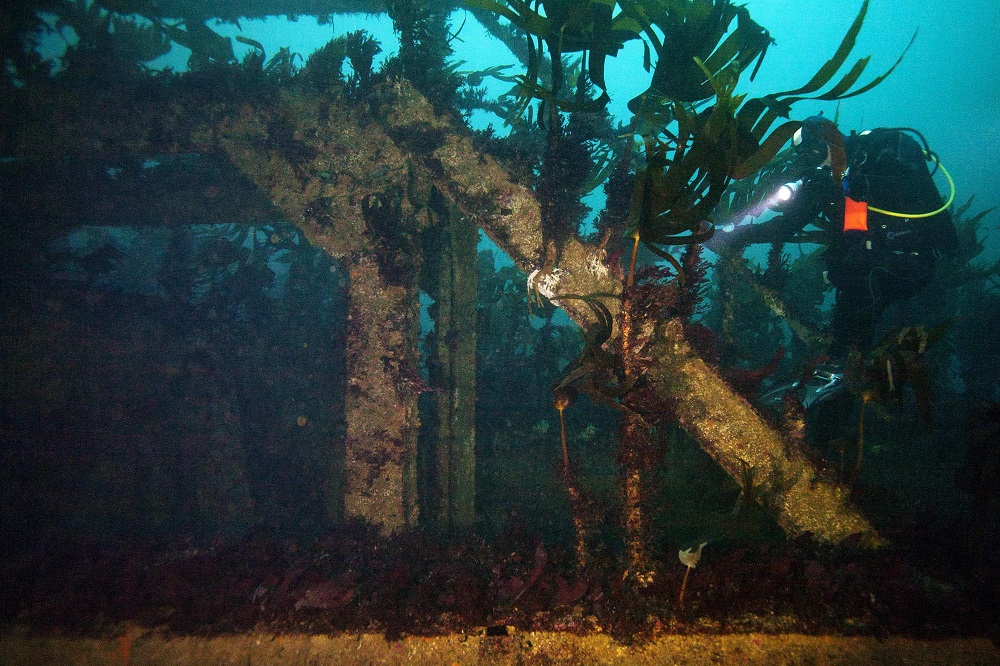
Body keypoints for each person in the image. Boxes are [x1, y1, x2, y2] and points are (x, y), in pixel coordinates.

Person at [721, 115, 959, 408]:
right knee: (848, 268)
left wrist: (857, 181)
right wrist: (732, 236)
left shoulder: (884, 149)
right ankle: (839, 370)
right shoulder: (824, 181)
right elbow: (785, 225)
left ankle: (848, 363)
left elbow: (917, 192)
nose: (817, 160)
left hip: (914, 260)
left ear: (834, 140)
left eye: (819, 150)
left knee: (861, 265)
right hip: (870, 260)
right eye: (808, 155)